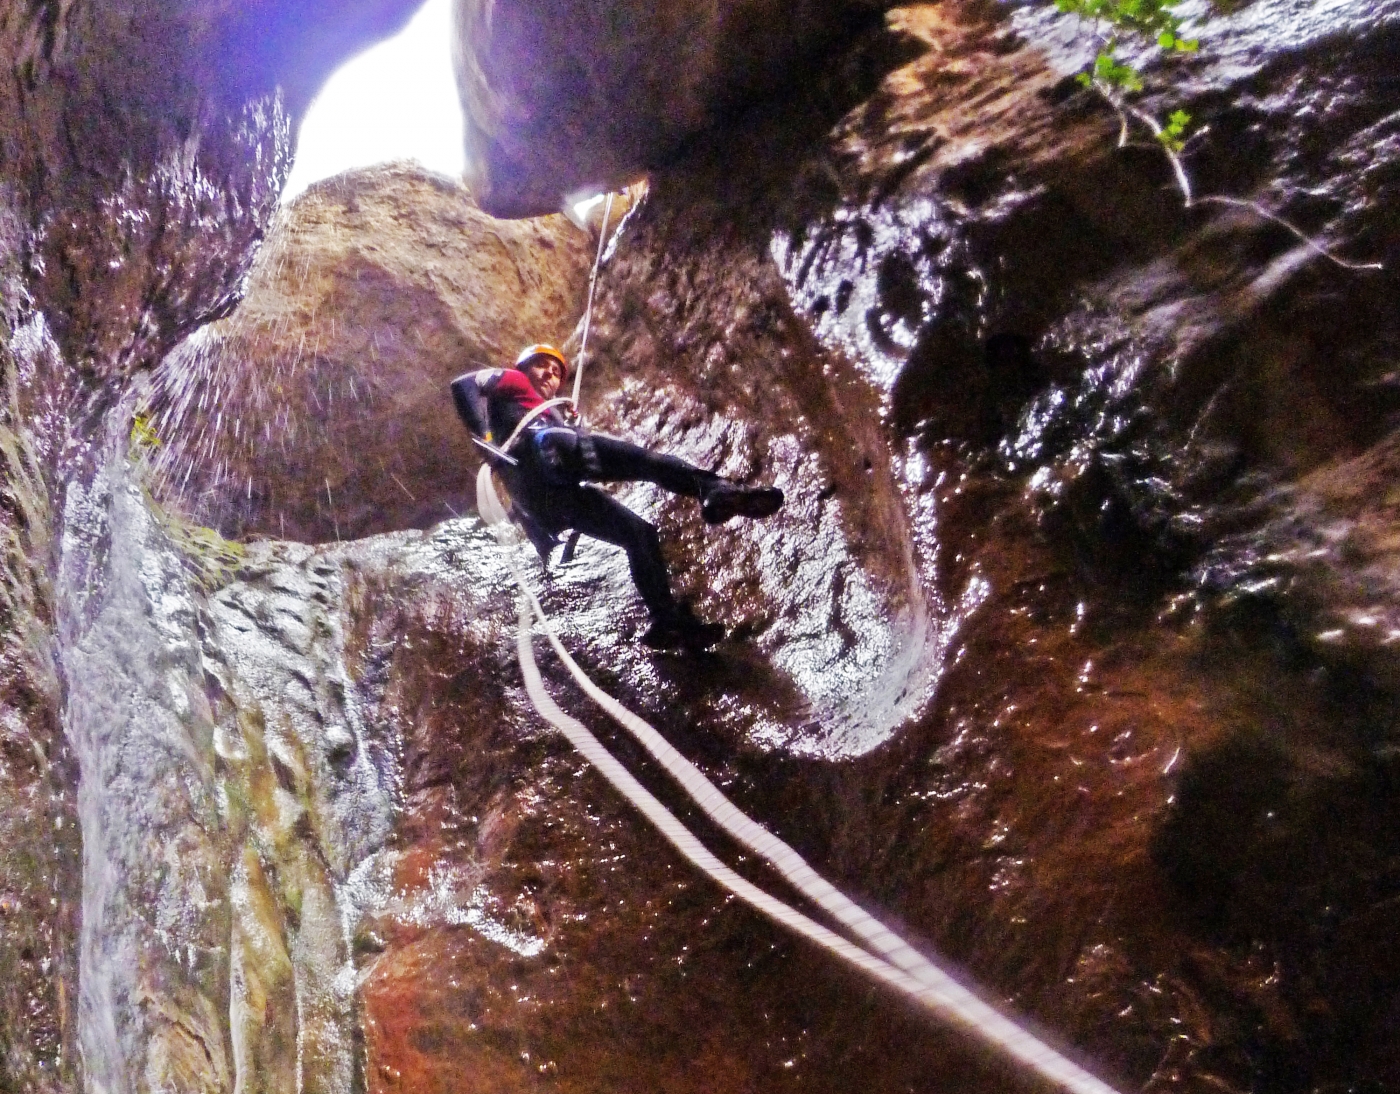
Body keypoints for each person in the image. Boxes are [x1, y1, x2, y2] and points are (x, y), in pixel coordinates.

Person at [452, 344, 784, 649]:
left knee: (639, 535)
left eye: (556, 373)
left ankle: (667, 621)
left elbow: (526, 508)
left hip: (543, 498)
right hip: (545, 454)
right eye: (542, 366)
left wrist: (546, 547)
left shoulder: (546, 410)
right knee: (646, 462)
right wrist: (487, 439)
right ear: (523, 367)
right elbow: (465, 386)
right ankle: (713, 489)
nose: (549, 375)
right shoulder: (513, 381)